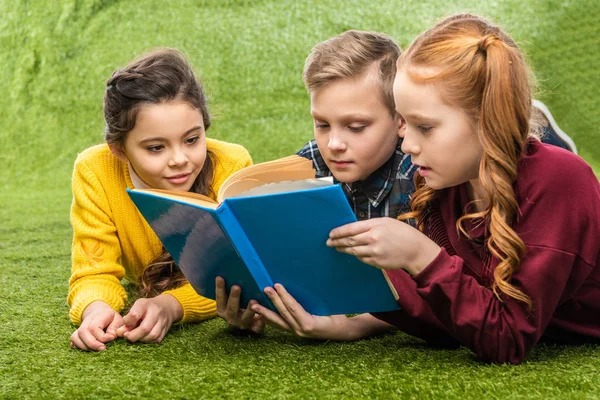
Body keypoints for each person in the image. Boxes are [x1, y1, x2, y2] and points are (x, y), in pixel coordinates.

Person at [251, 14, 600, 364]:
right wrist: (346, 319)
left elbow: (506, 340)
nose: (407, 146)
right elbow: (451, 321)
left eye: (425, 127)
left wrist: (420, 256)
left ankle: (537, 128)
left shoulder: (561, 180)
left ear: (486, 119)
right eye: (406, 124)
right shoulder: (444, 184)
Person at [216, 30, 416, 333]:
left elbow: (435, 295)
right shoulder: (309, 163)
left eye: (356, 127)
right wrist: (255, 304)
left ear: (400, 119)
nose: (333, 143)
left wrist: (352, 328)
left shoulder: (420, 173)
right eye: (322, 124)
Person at [68, 48, 252, 351]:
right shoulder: (95, 169)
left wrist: (171, 305)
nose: (180, 160)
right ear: (119, 149)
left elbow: (237, 278)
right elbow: (94, 270)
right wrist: (96, 308)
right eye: (156, 148)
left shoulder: (232, 166)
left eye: (192, 140)